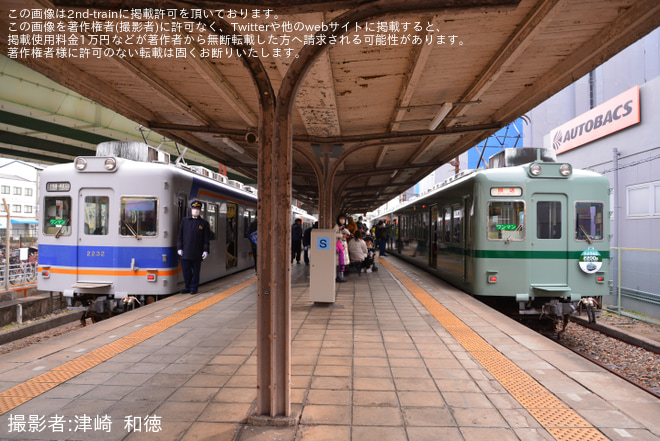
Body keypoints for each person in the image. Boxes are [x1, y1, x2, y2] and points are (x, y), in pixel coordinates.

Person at [177, 200, 211, 294]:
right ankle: (187, 287)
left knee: (196, 271)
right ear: (191, 209)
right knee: (186, 271)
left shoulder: (204, 223)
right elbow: (180, 235)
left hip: (197, 252)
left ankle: (194, 288)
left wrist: (205, 250)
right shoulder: (184, 221)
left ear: (200, 210)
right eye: (194, 208)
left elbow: (206, 239)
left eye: (197, 209)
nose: (195, 210)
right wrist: (179, 248)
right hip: (186, 251)